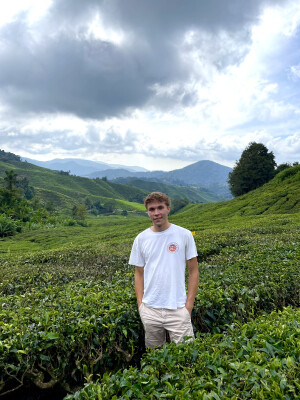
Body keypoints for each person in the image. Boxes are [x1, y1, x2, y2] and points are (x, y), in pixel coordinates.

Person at [129, 192, 199, 349]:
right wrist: (141, 305)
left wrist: (188, 306)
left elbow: (193, 271)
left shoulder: (184, 235)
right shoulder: (141, 239)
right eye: (152, 209)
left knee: (187, 356)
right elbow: (139, 273)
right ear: (147, 212)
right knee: (155, 357)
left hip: (178, 309)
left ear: (168, 208)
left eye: (160, 208)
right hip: (150, 310)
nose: (156, 213)